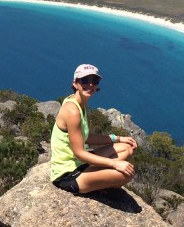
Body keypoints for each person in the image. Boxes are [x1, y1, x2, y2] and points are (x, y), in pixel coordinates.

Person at [50, 63, 137, 194]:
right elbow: (79, 153)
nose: (90, 85)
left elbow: (86, 136)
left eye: (94, 81)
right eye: (85, 80)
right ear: (75, 83)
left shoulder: (79, 103)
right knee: (127, 175)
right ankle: (100, 181)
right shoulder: (72, 111)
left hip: (79, 163)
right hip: (67, 174)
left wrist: (117, 138)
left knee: (126, 147)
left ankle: (100, 178)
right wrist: (114, 164)